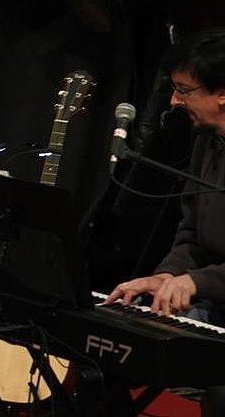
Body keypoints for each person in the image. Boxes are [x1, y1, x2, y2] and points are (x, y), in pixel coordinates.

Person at [106, 29, 225, 415]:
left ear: (222, 93)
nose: (174, 101)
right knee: (111, 350)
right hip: (215, 302)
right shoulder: (206, 142)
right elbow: (190, 232)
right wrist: (166, 275)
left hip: (214, 296)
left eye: (184, 90)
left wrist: (196, 281)